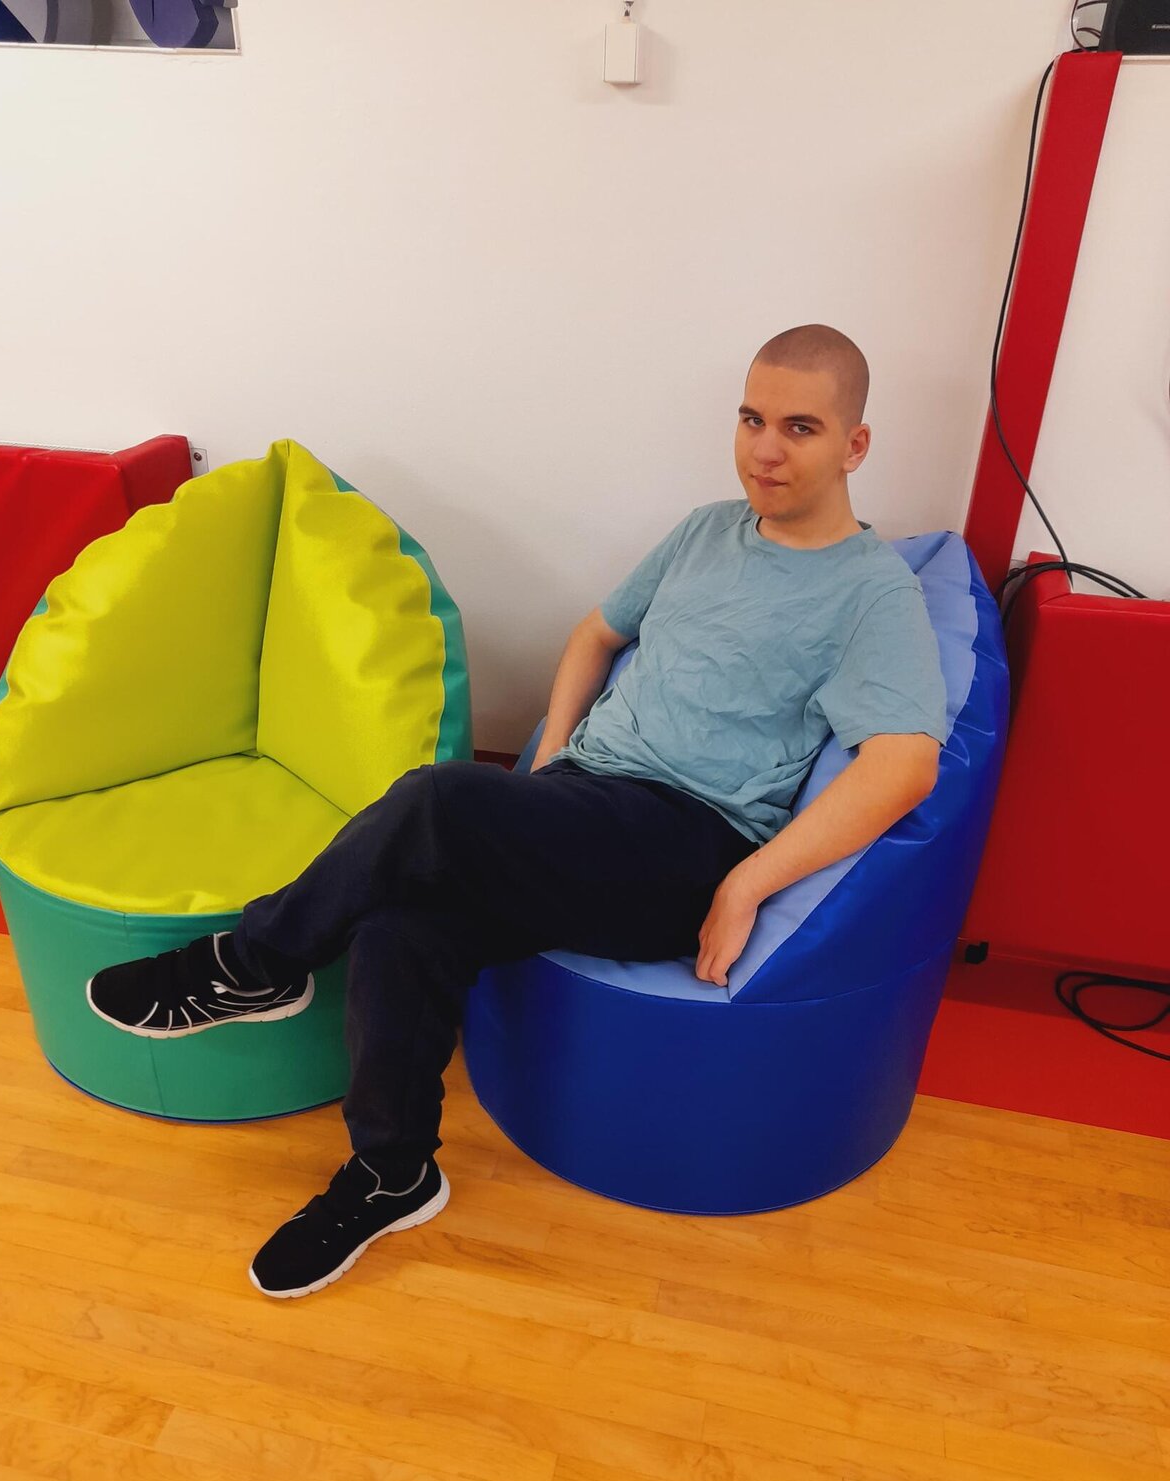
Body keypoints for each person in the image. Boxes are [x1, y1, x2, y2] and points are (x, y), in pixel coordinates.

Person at [87, 324, 947, 1299]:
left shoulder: (870, 591)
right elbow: (596, 633)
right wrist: (549, 758)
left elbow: (905, 766)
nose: (766, 449)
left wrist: (749, 883)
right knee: (403, 923)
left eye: (800, 427)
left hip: (685, 840)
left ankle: (252, 963)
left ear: (855, 445)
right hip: (584, 805)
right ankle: (393, 1172)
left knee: (438, 797)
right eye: (752, 419)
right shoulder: (708, 529)